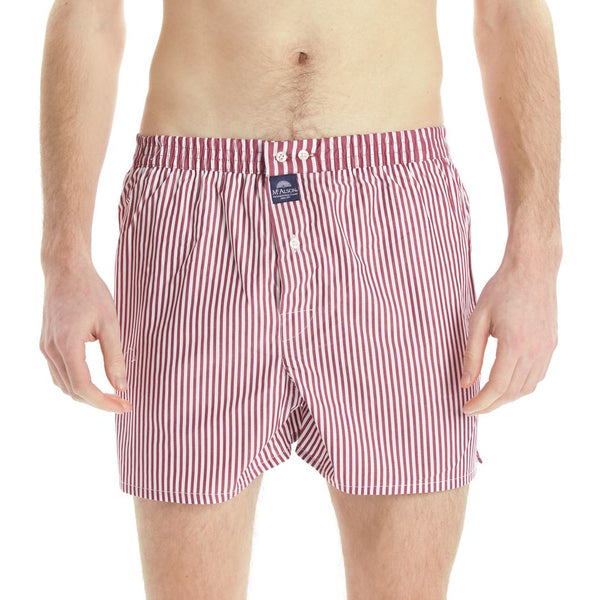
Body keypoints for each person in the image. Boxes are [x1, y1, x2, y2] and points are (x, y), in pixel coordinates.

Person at [38, 0, 562, 598]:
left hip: (392, 217)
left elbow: (509, 13)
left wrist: (536, 256)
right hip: (195, 212)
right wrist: (64, 258)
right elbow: (88, 15)